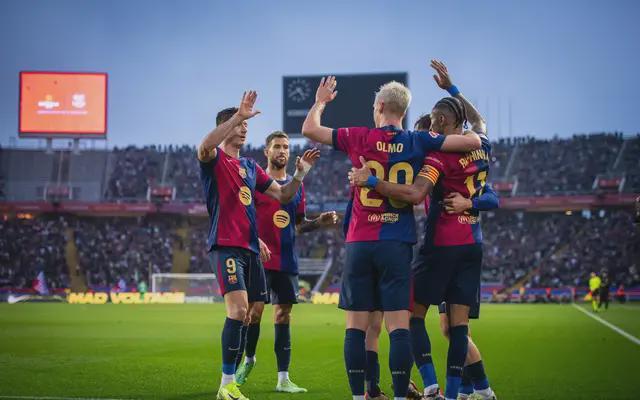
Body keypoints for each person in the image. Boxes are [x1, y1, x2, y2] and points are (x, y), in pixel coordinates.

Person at [303, 65, 482, 400]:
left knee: (356, 327)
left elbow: (309, 129)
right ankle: (400, 395)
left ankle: (360, 396)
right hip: (397, 242)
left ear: (381, 106)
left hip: (360, 240)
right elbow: (474, 140)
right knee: (398, 326)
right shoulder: (418, 140)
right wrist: (454, 99)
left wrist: (321, 102)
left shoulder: (358, 136)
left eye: (375, 106)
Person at [349, 60, 494, 400]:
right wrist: (452, 89)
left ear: (440, 125)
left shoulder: (436, 158)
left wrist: (372, 181)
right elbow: (481, 124)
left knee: (411, 315)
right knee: (455, 327)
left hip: (440, 244)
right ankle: (469, 391)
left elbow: (416, 194)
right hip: (473, 244)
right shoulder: (481, 146)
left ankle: (431, 385)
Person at [197, 91, 320, 400]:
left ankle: (234, 379)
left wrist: (300, 174)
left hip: (251, 250)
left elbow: (284, 195)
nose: (244, 129)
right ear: (226, 126)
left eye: (246, 125)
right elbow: (204, 146)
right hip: (226, 245)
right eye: (239, 124)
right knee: (239, 310)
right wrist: (238, 115)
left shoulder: (251, 167)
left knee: (247, 315)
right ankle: (227, 384)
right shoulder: (215, 160)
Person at [234, 130, 338, 393]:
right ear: (267, 151)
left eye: (286, 147)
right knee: (252, 313)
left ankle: (283, 379)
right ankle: (249, 359)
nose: (282, 151)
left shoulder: (296, 186)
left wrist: (319, 222)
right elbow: (242, 219)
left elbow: (299, 225)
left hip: (286, 260)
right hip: (258, 258)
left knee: (283, 315)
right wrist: (255, 240)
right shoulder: (257, 182)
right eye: (277, 146)